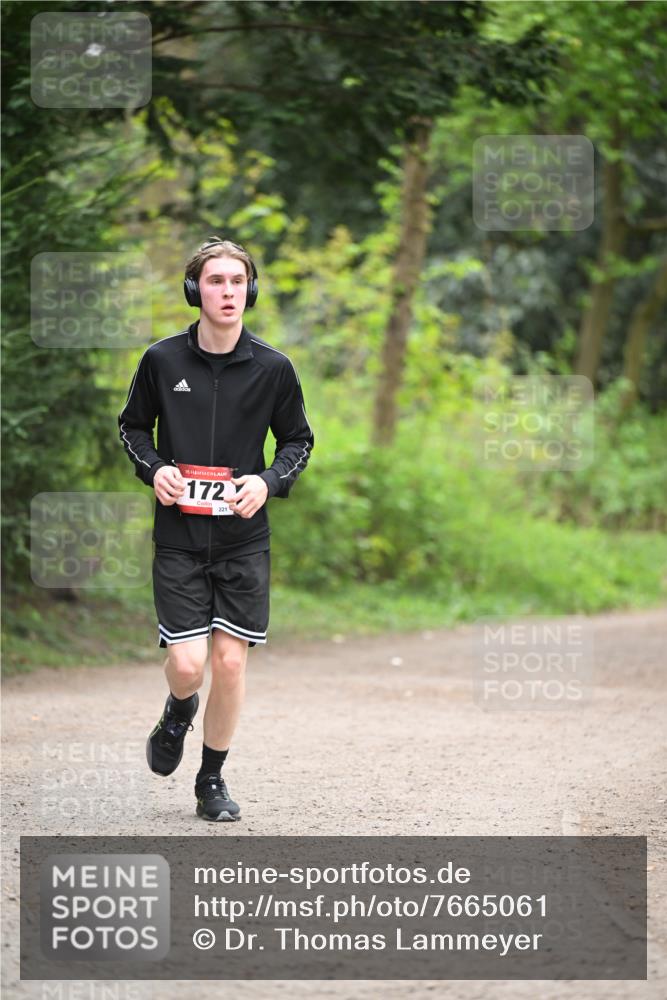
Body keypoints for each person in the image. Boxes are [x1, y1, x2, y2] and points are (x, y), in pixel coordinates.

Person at [118, 237, 314, 821]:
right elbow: (132, 429)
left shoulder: (274, 369)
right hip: (179, 537)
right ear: (194, 290)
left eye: (236, 282)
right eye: (215, 281)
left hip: (242, 540)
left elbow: (299, 441)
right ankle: (178, 712)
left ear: (249, 291)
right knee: (187, 666)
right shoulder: (161, 360)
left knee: (230, 662)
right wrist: (156, 471)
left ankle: (211, 781)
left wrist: (269, 481)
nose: (227, 292)